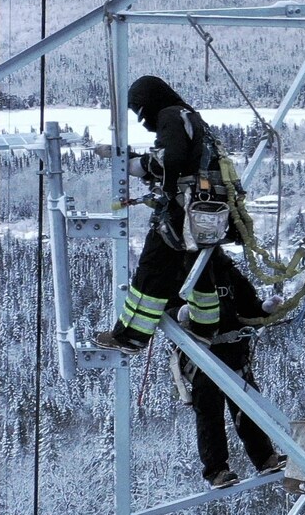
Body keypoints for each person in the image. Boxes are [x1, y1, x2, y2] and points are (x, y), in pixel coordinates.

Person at [96, 75, 233, 354]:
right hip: (205, 210)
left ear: (149, 102)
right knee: (197, 266)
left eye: (138, 110)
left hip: (182, 209)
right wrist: (132, 159)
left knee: (154, 267)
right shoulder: (191, 118)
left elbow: (169, 160)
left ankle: (131, 335)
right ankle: (204, 327)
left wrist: (138, 166)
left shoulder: (170, 116)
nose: (140, 119)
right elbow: (182, 159)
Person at [173, 246, 286, 489]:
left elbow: (247, 304)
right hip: (202, 356)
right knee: (210, 415)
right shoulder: (180, 271)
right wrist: (179, 313)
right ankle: (217, 470)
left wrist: (263, 308)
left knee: (248, 408)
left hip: (232, 353)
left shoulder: (226, 270)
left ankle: (265, 458)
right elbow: (165, 308)